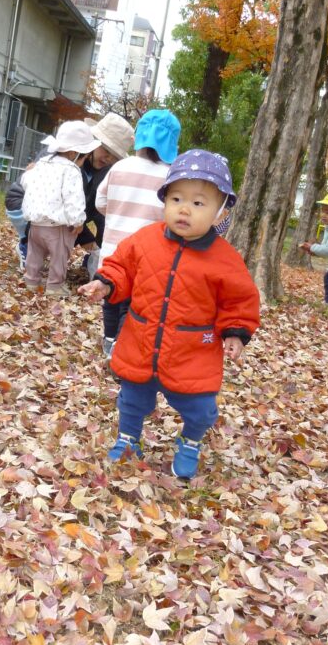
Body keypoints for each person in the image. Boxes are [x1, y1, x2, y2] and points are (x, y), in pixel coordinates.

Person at [79, 149, 260, 479]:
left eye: (198, 203)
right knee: (131, 399)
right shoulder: (145, 240)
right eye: (176, 198)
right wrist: (105, 284)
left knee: (202, 409)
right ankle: (129, 438)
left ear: (220, 213)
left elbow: (239, 300)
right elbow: (121, 266)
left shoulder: (226, 259)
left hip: (192, 352)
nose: (184, 209)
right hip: (141, 341)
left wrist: (235, 331)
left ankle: (190, 441)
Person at [94, 108, 180, 357]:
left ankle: (110, 338)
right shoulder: (170, 177)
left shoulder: (120, 168)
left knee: (110, 297)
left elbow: (101, 203)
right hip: (148, 259)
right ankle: (120, 344)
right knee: (133, 305)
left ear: (138, 139)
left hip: (112, 252)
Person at [21, 120, 100, 296]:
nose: (84, 160)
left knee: (34, 254)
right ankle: (54, 286)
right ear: (73, 153)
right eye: (84, 156)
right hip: (58, 228)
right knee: (59, 257)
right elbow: (74, 198)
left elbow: (26, 181)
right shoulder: (71, 170)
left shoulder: (42, 163)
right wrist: (78, 221)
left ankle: (31, 280)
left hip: (35, 224)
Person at [74, 112, 135, 259]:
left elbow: (103, 216)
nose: (109, 158)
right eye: (106, 150)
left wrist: (104, 250)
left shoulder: (108, 176)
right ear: (94, 142)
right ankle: (27, 244)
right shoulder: (73, 156)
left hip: (78, 222)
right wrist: (86, 237)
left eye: (115, 156)